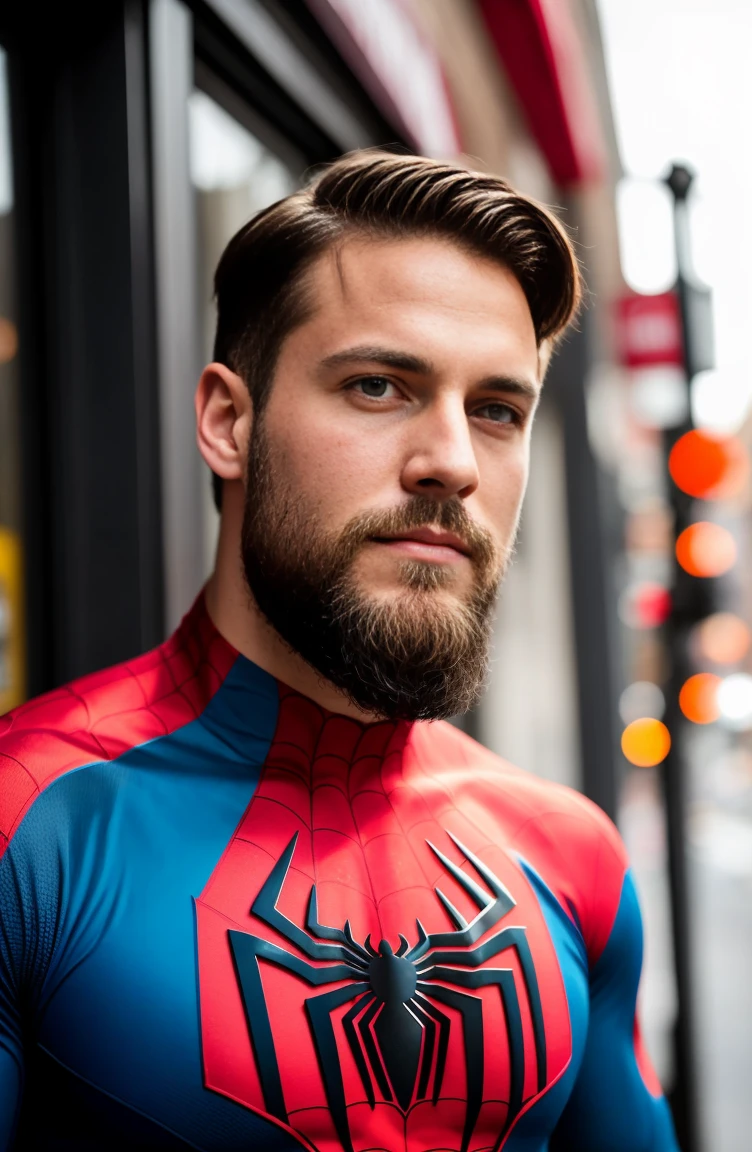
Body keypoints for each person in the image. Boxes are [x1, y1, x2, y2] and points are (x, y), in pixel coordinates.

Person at [0, 151, 678, 1152]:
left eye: (495, 410)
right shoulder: (29, 829)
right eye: (376, 386)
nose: (450, 460)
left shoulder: (569, 858)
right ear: (229, 422)